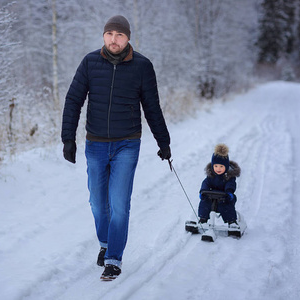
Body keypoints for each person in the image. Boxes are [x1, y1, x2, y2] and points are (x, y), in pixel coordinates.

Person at [61, 15, 171, 280]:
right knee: (98, 204)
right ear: (103, 36)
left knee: (119, 204)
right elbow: (73, 99)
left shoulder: (142, 66)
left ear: (128, 38)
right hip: (96, 144)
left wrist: (163, 141)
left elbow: (152, 106)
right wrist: (68, 138)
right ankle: (106, 243)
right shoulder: (90, 62)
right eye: (109, 34)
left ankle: (114, 259)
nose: (114, 39)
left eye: (119, 35)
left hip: (127, 143)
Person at [198, 144, 241, 229]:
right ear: (212, 166)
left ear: (226, 166)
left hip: (225, 197)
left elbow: (231, 184)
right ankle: (203, 219)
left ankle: (231, 221)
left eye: (221, 166)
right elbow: (206, 183)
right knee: (204, 202)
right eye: (216, 166)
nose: (218, 169)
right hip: (212, 197)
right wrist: (203, 191)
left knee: (227, 205)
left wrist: (229, 192)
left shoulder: (229, 176)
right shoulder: (211, 175)